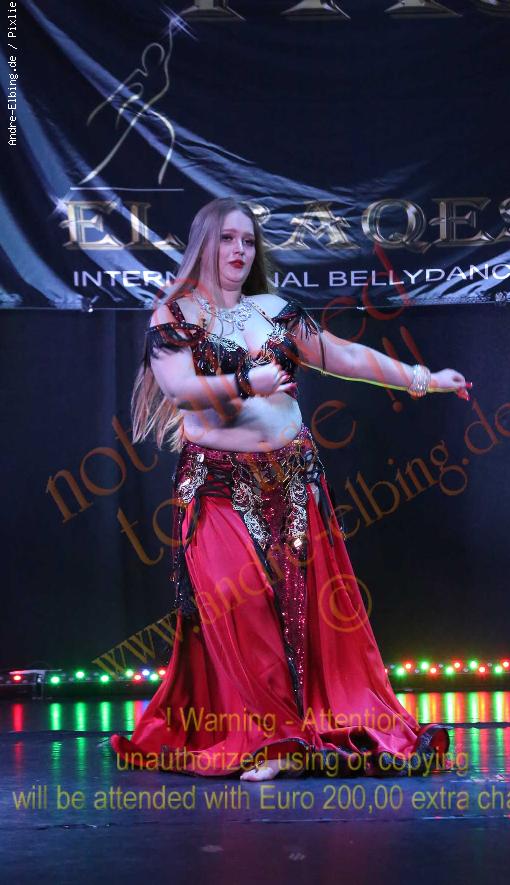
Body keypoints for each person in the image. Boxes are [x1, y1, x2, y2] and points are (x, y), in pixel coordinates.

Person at [110, 197, 472, 782]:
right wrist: (246, 382)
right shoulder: (174, 314)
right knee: (243, 606)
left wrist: (423, 378)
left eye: (248, 241)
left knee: (314, 617)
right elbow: (179, 390)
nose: (239, 250)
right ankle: (273, 739)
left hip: (294, 482)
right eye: (227, 239)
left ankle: (295, 733)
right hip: (217, 487)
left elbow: (344, 356)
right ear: (204, 244)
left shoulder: (275, 311)